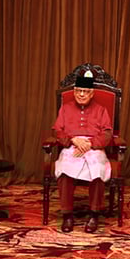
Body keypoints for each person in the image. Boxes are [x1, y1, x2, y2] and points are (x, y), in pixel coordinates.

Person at [52, 70, 113, 234]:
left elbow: (107, 133)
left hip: (94, 147)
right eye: (78, 91)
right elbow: (57, 130)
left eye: (85, 91)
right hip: (71, 145)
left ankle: (94, 214)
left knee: (98, 171)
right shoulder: (65, 108)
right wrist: (73, 140)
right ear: (74, 92)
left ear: (91, 93)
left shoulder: (101, 110)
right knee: (64, 170)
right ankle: (67, 215)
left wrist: (90, 144)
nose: (81, 94)